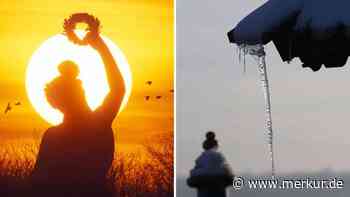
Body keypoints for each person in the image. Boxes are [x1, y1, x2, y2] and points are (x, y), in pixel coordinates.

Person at [31, 32, 125, 196]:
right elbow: (118, 89)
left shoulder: (52, 136)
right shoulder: (98, 123)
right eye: (80, 90)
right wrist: (100, 47)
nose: (83, 92)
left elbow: (38, 182)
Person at [187, 131, 234, 197]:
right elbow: (231, 177)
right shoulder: (220, 157)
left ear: (204, 147)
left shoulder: (200, 159)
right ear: (216, 146)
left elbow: (191, 181)